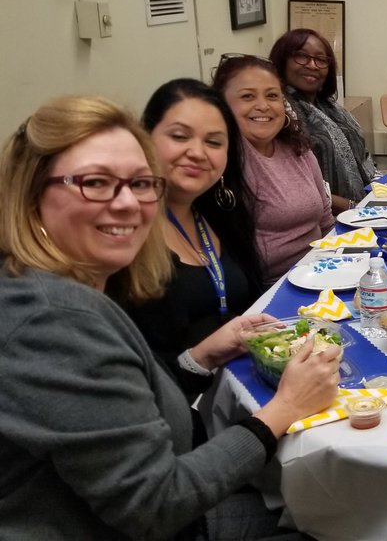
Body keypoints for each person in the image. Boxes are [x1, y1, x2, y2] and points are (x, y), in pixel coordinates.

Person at [0, 96, 341, 539]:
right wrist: (285, 410)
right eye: (96, 182)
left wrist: (199, 358)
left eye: (141, 183)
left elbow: (125, 414)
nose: (127, 204)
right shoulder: (52, 321)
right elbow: (157, 505)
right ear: (31, 196)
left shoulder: (59, 288)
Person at [115, 79, 265, 410]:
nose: (196, 153)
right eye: (179, 136)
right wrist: (200, 357)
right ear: (145, 139)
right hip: (179, 414)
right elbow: (130, 377)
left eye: (213, 142)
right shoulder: (124, 232)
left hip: (245, 392)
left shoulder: (221, 213)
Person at [212, 53, 334, 284]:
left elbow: (326, 220)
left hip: (321, 272)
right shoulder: (226, 159)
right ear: (221, 105)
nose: (263, 106)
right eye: (247, 96)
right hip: (271, 289)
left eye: (272, 96)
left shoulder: (296, 147)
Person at [270, 28, 378, 213]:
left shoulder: (330, 107)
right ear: (282, 61)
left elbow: (363, 158)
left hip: (361, 204)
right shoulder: (281, 113)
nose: (312, 65)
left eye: (320, 60)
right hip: (325, 217)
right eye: (301, 56)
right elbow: (297, 183)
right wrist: (356, 208)